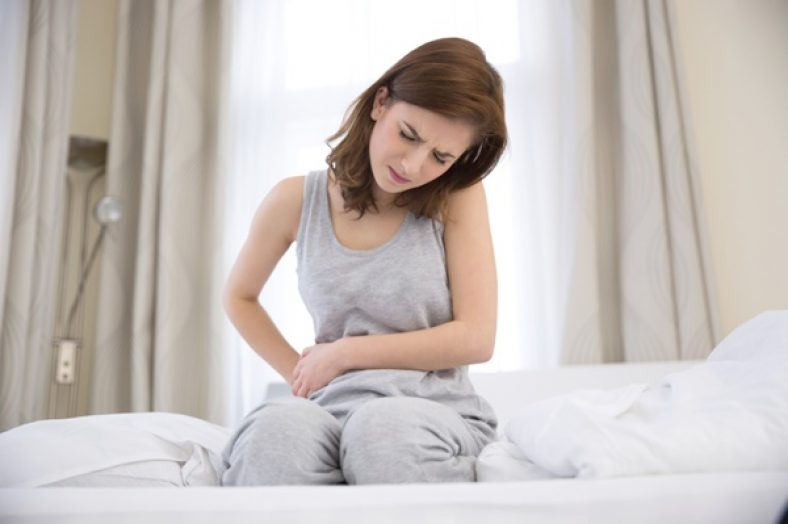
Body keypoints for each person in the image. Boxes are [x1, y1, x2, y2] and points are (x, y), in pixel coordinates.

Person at [220, 37, 508, 486]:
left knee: (382, 431)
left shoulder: (458, 196)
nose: (413, 166)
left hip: (433, 414)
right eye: (408, 135)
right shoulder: (295, 200)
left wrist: (345, 354)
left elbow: (477, 337)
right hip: (331, 409)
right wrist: (303, 376)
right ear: (381, 103)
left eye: (440, 157)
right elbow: (239, 296)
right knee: (273, 433)